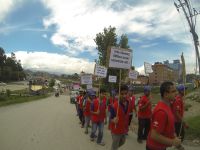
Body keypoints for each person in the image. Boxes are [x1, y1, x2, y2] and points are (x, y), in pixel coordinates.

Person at [146, 81, 181, 150]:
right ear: (165, 94)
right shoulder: (161, 112)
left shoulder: (167, 106)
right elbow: (154, 135)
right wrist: (173, 142)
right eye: (173, 91)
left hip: (161, 146)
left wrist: (173, 135)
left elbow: (167, 126)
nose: (176, 93)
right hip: (155, 147)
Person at [109, 85, 129, 150]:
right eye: (122, 94)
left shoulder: (128, 102)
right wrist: (113, 120)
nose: (124, 96)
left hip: (123, 129)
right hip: (115, 130)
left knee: (123, 141)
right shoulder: (115, 106)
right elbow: (110, 118)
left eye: (126, 93)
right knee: (114, 147)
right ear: (118, 94)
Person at [172, 85, 188, 150]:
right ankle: (177, 146)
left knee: (180, 134)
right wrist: (183, 122)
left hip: (178, 121)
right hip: (177, 121)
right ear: (181, 91)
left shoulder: (180, 98)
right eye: (184, 90)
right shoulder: (178, 99)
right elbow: (176, 113)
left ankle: (177, 145)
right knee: (180, 134)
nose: (185, 91)